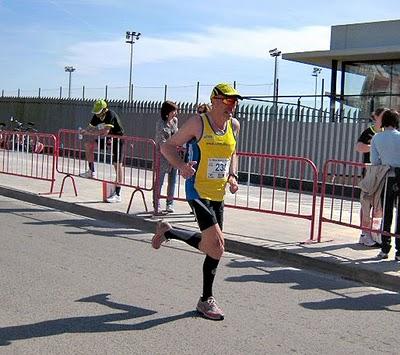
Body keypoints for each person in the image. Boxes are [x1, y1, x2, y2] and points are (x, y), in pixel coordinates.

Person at [151, 83, 241, 320]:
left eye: (235, 102)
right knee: (218, 246)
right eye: (229, 101)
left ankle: (168, 232)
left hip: (219, 193)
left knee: (212, 248)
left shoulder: (234, 126)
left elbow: (233, 153)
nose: (233, 107)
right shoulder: (197, 123)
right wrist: (180, 166)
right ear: (215, 100)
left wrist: (233, 175)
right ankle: (206, 300)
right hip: (197, 191)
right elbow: (166, 146)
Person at [80, 99, 125, 203]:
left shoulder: (110, 114)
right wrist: (85, 131)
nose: (97, 115)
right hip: (105, 138)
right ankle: (91, 171)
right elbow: (90, 127)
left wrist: (90, 133)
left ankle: (117, 194)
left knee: (117, 164)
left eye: (99, 112)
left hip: (117, 138)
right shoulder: (96, 115)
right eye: (96, 112)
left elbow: (105, 132)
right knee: (88, 145)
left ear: (104, 109)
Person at [370, 109, 400, 260]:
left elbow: (374, 161)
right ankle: (399, 252)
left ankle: (384, 249)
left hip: (387, 176)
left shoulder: (377, 138)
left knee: (387, 214)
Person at [355, 107, 386, 246]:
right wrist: (374, 145)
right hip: (370, 173)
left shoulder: (390, 132)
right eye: (384, 116)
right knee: (366, 204)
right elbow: (359, 147)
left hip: (385, 173)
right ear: (376, 117)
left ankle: (375, 233)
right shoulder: (369, 132)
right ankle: (364, 233)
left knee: (380, 206)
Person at [153, 101, 179, 214]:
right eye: (174, 111)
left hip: (174, 154)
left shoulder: (175, 121)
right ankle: (156, 204)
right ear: (167, 112)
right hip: (162, 155)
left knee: (172, 180)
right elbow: (161, 141)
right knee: (159, 181)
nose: (176, 113)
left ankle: (170, 203)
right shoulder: (160, 123)